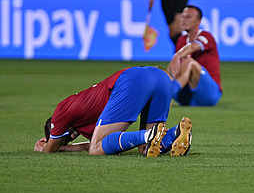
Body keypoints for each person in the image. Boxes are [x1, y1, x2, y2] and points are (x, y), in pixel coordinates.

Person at [33, 66, 193, 157]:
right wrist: (64, 147)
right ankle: (175, 134)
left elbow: (50, 149)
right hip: (161, 78)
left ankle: (147, 134)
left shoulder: (61, 110)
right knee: (146, 148)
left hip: (133, 80)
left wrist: (45, 146)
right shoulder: (83, 121)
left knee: (97, 150)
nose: (73, 138)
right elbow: (97, 143)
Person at [168, 5, 223, 106]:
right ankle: (159, 96)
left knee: (189, 63)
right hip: (189, 97)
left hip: (209, 94)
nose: (184, 20)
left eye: (188, 17)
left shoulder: (206, 36)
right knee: (161, 74)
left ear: (198, 21)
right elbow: (176, 68)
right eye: (183, 17)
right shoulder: (181, 40)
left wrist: (177, 55)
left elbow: (193, 47)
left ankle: (167, 94)